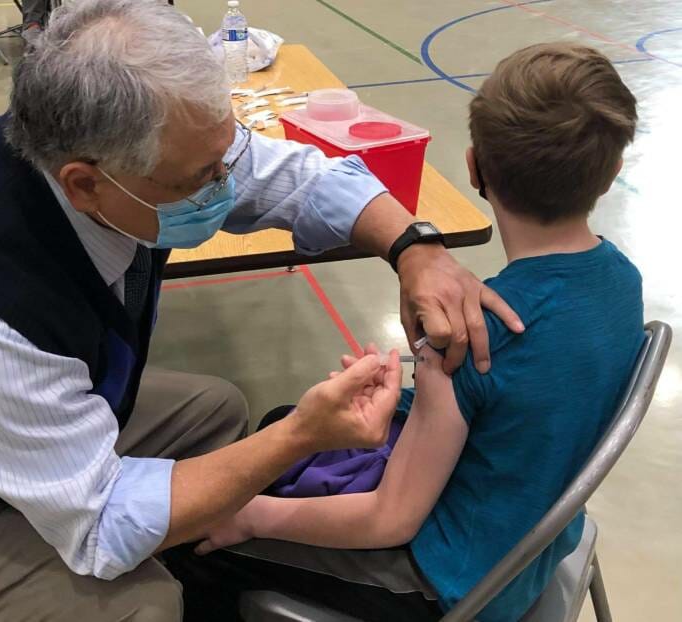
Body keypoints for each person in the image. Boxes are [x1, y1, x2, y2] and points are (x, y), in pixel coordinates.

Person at [0, 1, 520, 620]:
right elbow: (102, 526)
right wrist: (300, 436)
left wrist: (414, 248)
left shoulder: (118, 149)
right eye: (200, 179)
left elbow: (290, 175)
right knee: (142, 604)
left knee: (216, 414)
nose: (226, 186)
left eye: (224, 158)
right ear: (84, 183)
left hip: (2, 429)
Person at [189, 42, 644, 622]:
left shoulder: (466, 336)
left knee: (202, 550)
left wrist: (249, 517)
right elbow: (527, 400)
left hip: (456, 584)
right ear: (611, 175)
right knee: (284, 426)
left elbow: (390, 519)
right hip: (535, 537)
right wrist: (412, 394)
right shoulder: (623, 282)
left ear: (475, 167)